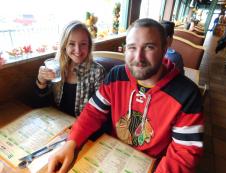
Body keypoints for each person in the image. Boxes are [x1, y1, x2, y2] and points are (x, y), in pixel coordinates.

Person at [48, 18, 204, 173]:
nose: (138, 57)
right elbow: (93, 112)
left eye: (149, 47)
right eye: (132, 47)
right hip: (111, 155)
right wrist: (72, 142)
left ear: (165, 48)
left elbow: (182, 156)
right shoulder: (117, 75)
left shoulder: (187, 95)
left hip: (154, 166)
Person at [35, 20, 105, 116]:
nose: (78, 50)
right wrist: (41, 80)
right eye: (72, 44)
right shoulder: (56, 67)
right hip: (58, 124)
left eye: (83, 44)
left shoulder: (97, 72)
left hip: (82, 127)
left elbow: (99, 112)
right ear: (64, 46)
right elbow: (43, 106)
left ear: (89, 46)